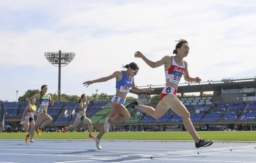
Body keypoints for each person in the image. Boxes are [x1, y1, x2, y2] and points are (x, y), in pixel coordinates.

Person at [126, 39, 213, 148]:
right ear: (178, 49)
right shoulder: (168, 59)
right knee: (186, 115)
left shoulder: (185, 64)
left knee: (156, 115)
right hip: (168, 93)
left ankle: (136, 105)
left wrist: (194, 79)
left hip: (171, 95)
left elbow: (186, 77)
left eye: (188, 48)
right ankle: (198, 141)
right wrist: (142, 56)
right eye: (185, 47)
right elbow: (153, 65)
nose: (187, 50)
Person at [83, 62, 153, 150]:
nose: (135, 74)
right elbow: (105, 79)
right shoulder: (119, 74)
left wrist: (145, 90)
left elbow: (134, 89)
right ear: (130, 69)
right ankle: (108, 121)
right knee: (127, 116)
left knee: (110, 123)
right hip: (116, 100)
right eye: (135, 72)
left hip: (122, 101)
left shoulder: (132, 77)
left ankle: (98, 138)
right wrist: (92, 81)